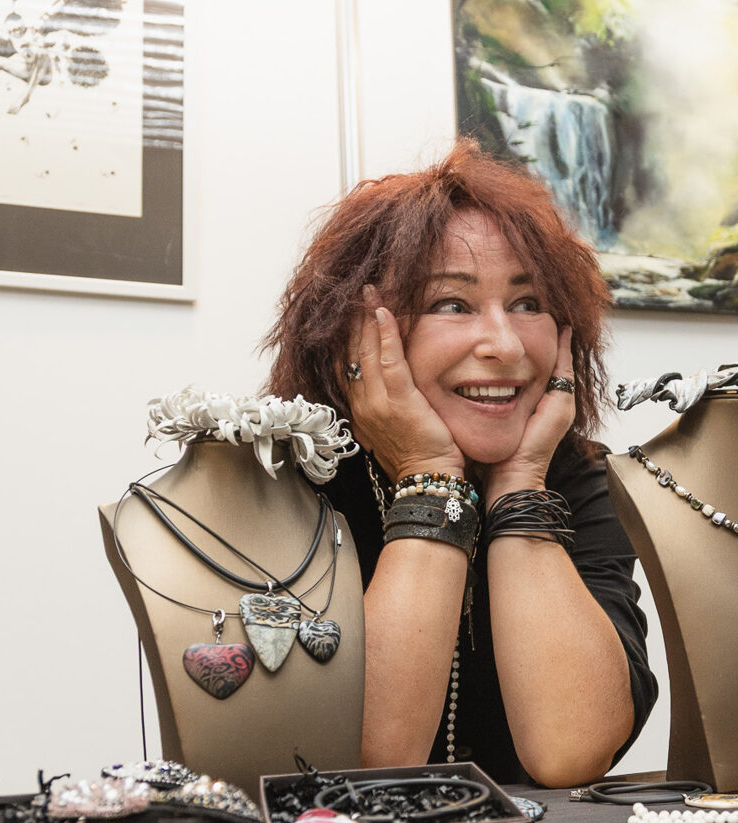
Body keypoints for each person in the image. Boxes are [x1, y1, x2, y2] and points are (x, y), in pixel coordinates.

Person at [264, 140, 657, 787]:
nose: (505, 344)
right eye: (452, 303)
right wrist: (430, 476)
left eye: (528, 304)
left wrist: (520, 485)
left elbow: (572, 750)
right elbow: (362, 770)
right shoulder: (282, 484)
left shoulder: (576, 479)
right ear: (355, 333)